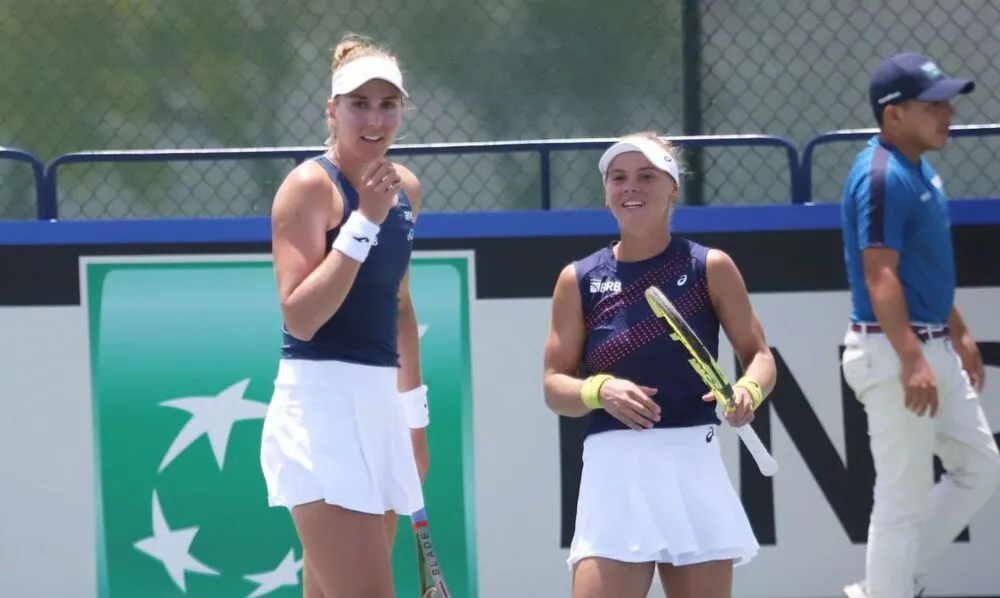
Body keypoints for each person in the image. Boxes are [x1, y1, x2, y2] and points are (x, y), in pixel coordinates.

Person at [542, 131, 777, 598]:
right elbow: (554, 387)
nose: (631, 187)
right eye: (619, 178)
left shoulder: (712, 267)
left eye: (646, 176)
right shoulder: (579, 279)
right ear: (607, 192)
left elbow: (759, 357)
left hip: (693, 462)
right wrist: (598, 390)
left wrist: (749, 391)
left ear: (672, 187)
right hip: (614, 471)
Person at [259, 33, 432, 598]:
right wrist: (364, 222)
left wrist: (414, 419)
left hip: (381, 409)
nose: (375, 119)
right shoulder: (307, 187)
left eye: (388, 105)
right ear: (333, 111)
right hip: (320, 412)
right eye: (359, 104)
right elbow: (302, 317)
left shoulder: (405, 187)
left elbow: (400, 307)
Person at [839, 52, 1000, 598]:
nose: (948, 114)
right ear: (895, 114)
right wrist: (911, 357)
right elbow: (880, 274)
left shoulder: (920, 167)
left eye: (947, 104)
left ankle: (888, 586)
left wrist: (954, 329)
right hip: (892, 352)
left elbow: (916, 268)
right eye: (933, 106)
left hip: (926, 343)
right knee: (902, 500)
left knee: (979, 467)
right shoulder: (882, 176)